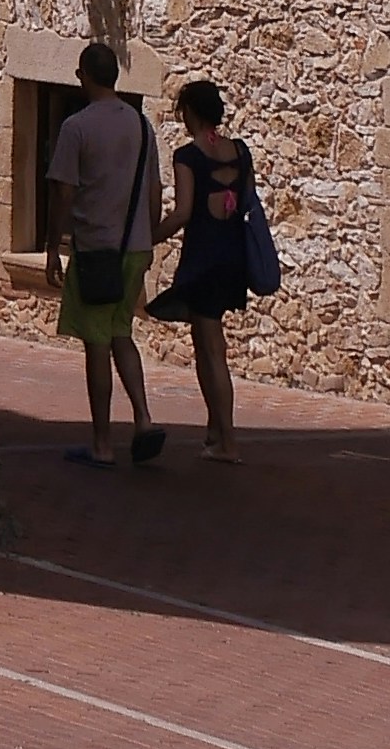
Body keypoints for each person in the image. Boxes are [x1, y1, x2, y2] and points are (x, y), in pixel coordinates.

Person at [42, 40, 166, 468]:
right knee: (121, 332)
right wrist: (150, 239)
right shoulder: (141, 125)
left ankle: (102, 443)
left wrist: (52, 246)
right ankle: (144, 419)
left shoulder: (76, 127)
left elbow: (64, 191)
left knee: (96, 344)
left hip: (96, 248)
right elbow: (154, 190)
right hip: (135, 246)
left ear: (85, 76)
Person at [151, 73, 252, 461]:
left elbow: (182, 213)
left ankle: (228, 441)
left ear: (191, 113)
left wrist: (150, 238)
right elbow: (245, 202)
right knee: (206, 342)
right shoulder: (241, 152)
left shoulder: (188, 156)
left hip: (203, 258)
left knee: (212, 351)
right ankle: (214, 431)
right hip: (233, 256)